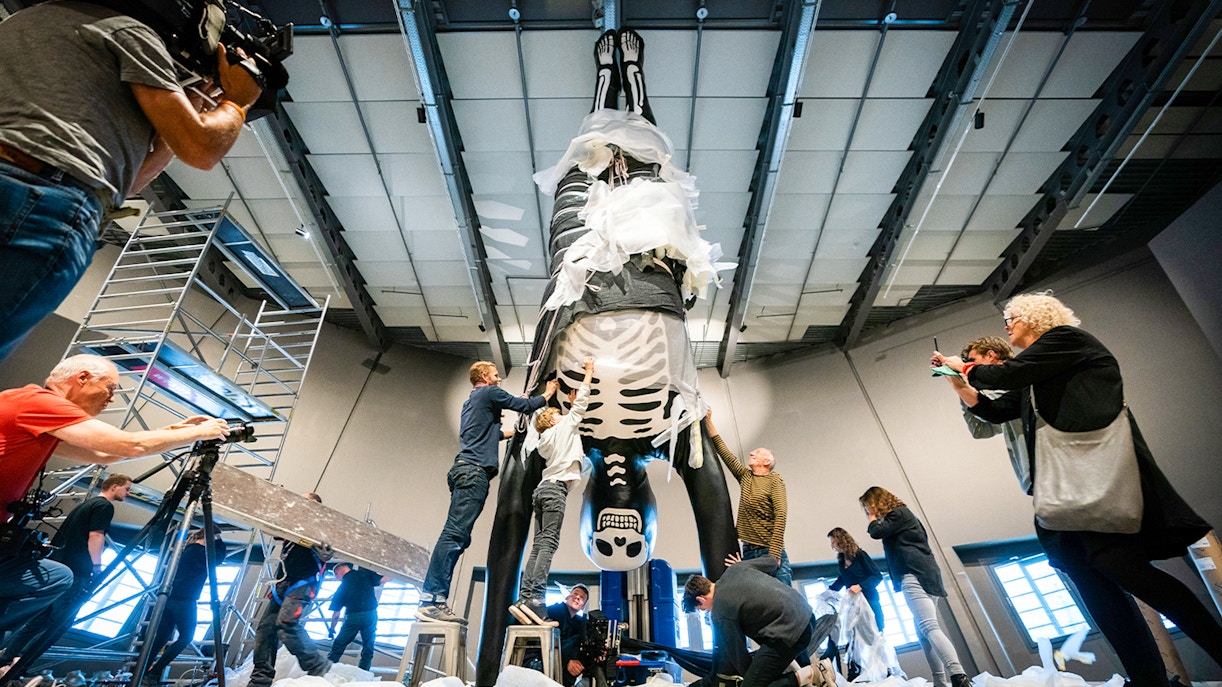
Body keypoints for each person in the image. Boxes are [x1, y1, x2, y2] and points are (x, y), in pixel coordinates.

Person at [934, 292, 1221, 686]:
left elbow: (1004, 376)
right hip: (1063, 497)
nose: (1006, 325)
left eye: (1011, 317)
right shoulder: (1040, 374)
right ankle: (1148, 680)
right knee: (1096, 587)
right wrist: (958, 382)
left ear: (1037, 316)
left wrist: (962, 366)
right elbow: (994, 409)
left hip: (1096, 485)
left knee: (1125, 571)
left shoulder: (1067, 340)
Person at [0, 1, 264, 360]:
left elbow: (129, 181)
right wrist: (237, 101)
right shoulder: (131, 33)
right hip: (40, 201)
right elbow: (201, 148)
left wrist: (190, 107)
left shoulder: (25, 22)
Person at [0, 354, 228, 639]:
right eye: (110, 389)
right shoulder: (40, 403)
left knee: (55, 579)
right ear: (82, 378)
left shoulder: (32, 408)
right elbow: (129, 445)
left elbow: (103, 454)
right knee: (55, 580)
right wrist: (202, 432)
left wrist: (174, 431)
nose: (111, 400)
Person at [416, 362, 559, 625]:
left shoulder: (472, 404)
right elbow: (524, 405)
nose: (499, 377)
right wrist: (547, 394)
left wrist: (517, 433)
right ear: (483, 376)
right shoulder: (488, 393)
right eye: (495, 373)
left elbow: (495, 434)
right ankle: (431, 599)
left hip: (465, 471)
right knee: (455, 535)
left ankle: (434, 598)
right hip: (474, 473)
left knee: (458, 535)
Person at [0, 474, 132, 677]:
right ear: (114, 487)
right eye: (127, 489)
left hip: (61, 566)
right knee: (61, 623)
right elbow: (95, 536)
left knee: (39, 620)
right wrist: (97, 567)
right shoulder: (105, 506)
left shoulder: (86, 505)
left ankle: (7, 659)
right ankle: (20, 667)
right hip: (76, 571)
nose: (128, 493)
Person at [511, 356, 595, 627]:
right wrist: (589, 372)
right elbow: (581, 405)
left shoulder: (545, 439)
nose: (563, 414)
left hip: (542, 490)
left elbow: (571, 424)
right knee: (548, 544)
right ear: (553, 420)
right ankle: (535, 598)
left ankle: (526, 597)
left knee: (538, 545)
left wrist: (566, 409)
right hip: (555, 491)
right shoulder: (563, 427)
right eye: (559, 414)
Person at [860, 486, 969, 687]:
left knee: (928, 626)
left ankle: (958, 676)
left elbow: (876, 532)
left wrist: (873, 516)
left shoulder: (898, 513)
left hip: (913, 573)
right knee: (922, 631)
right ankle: (940, 681)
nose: (866, 511)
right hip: (926, 574)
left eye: (867, 506)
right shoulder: (904, 516)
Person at [683, 556, 834, 687]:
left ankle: (814, 673)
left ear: (701, 599)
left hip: (790, 633)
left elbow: (739, 656)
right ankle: (811, 678)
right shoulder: (736, 569)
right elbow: (772, 562)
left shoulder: (720, 612)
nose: (706, 611)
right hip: (806, 614)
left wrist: (750, 678)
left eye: (701, 608)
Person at [248, 493, 334, 687]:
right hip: (284, 583)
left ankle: (317, 664)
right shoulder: (293, 526)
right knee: (265, 630)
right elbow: (267, 528)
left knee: (286, 622)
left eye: (305, 500)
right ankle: (260, 680)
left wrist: (327, 553)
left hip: (303, 583)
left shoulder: (320, 527)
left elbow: (330, 548)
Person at [703, 410, 791, 586]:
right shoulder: (746, 477)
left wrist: (774, 555)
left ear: (767, 461)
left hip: (769, 551)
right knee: (758, 601)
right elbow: (725, 453)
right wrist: (708, 421)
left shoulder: (774, 480)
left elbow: (781, 514)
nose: (752, 452)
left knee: (784, 597)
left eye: (757, 452)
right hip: (749, 552)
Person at [937, 337, 1030, 493]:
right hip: (1033, 480)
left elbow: (994, 407)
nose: (969, 367)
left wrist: (964, 380)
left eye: (973, 361)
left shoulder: (1018, 381)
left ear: (991, 356)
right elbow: (980, 430)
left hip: (1048, 476)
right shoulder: (994, 394)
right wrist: (961, 387)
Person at [143, 528, 230, 686]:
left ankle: (141, 672)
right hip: (185, 601)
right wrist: (218, 539)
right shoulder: (199, 553)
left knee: (160, 639)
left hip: (170, 599)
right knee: (186, 637)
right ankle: (154, 672)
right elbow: (218, 558)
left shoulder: (187, 550)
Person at [524, 585, 592, 687]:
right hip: (538, 658)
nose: (577, 597)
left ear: (583, 606)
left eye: (582, 597)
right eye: (575, 593)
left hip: (560, 665)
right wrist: (567, 661)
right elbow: (547, 641)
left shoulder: (580, 623)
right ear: (567, 597)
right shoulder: (554, 611)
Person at [327, 562, 388, 671]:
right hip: (370, 614)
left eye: (336, 576)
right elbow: (384, 579)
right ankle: (364, 672)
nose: (337, 579)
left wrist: (332, 629)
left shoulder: (341, 588)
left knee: (339, 645)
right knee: (368, 646)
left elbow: (336, 614)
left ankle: (326, 669)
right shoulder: (364, 574)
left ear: (338, 573)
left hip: (353, 617)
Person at [827, 528, 884, 632]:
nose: (832, 546)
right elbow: (842, 579)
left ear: (841, 540)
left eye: (833, 542)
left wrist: (860, 586)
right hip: (853, 604)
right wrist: (828, 592)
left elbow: (877, 576)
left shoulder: (860, 555)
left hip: (869, 600)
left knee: (876, 630)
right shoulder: (841, 560)